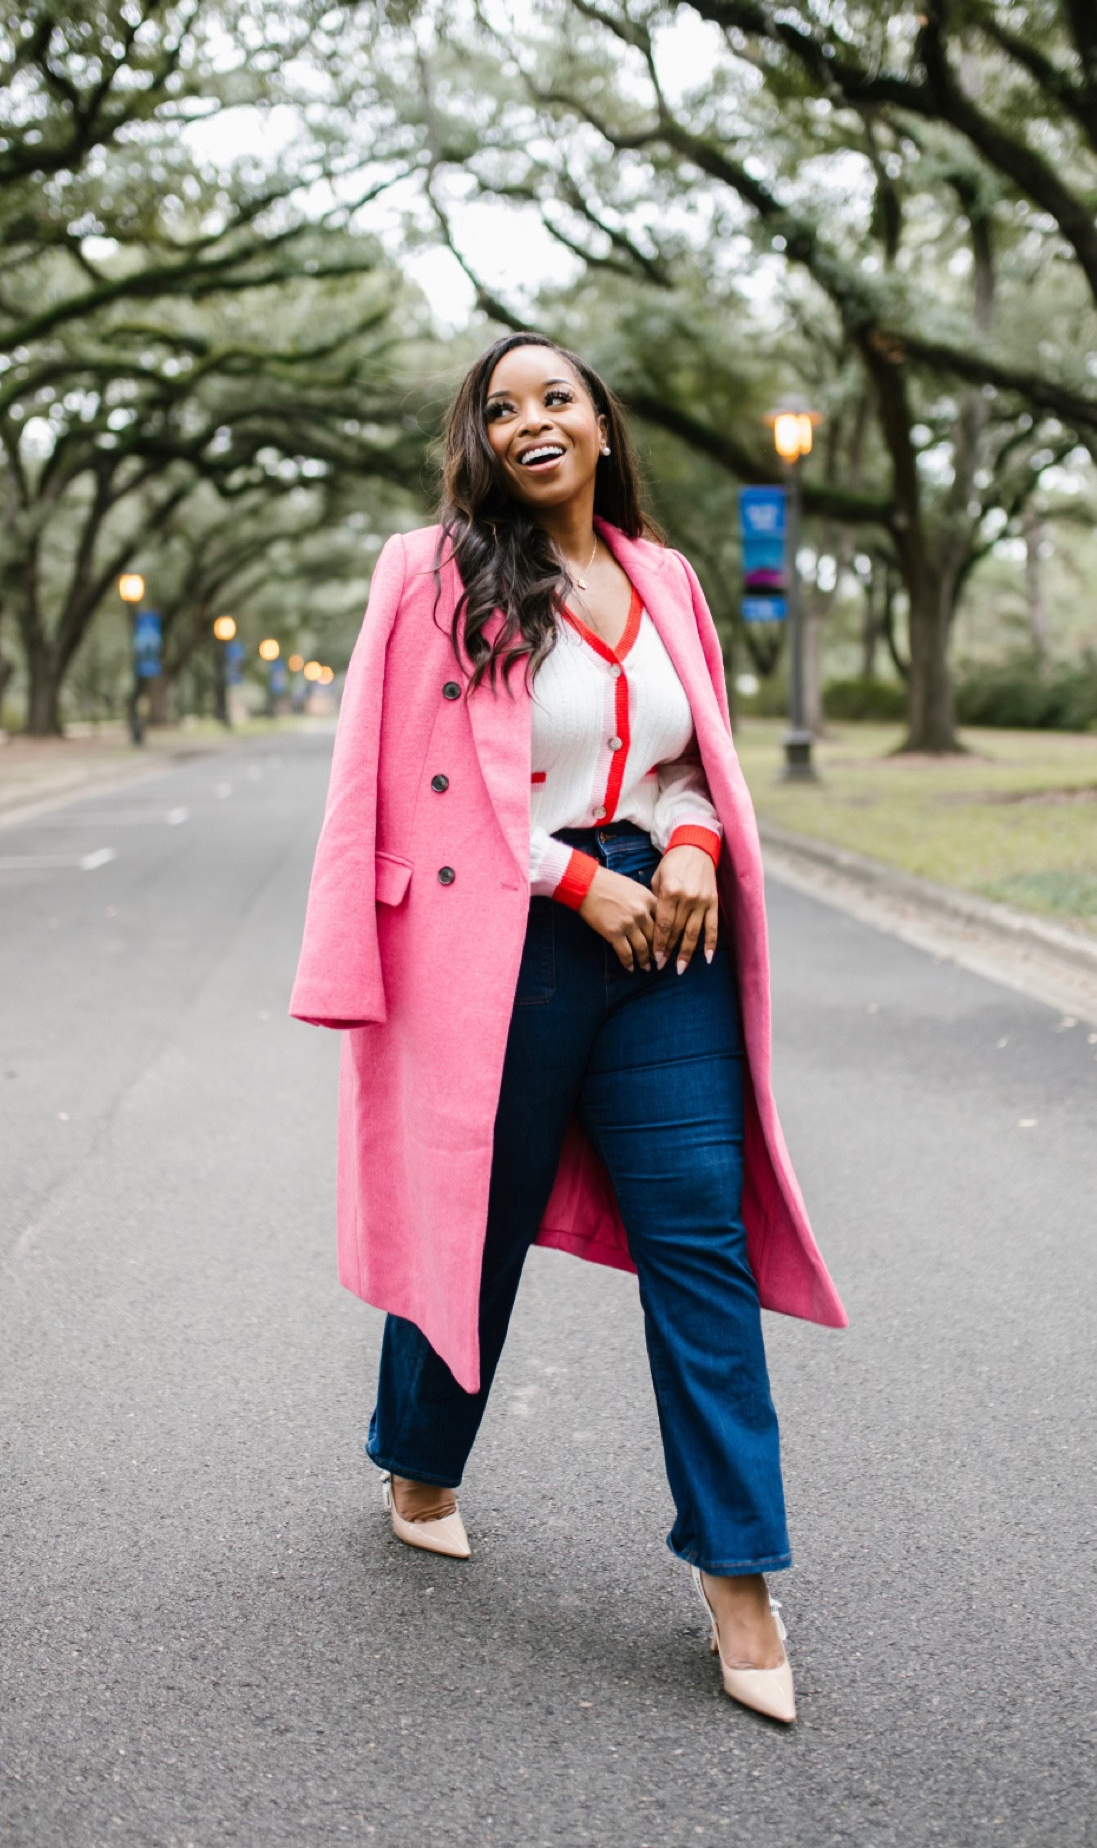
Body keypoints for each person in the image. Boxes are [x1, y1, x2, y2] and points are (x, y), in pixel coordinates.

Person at [290, 332, 845, 1724]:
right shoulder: (427, 574)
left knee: (696, 1240)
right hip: (507, 933)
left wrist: (695, 844)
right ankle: (418, 1458)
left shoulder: (660, 578)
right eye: (501, 407)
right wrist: (579, 878)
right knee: (472, 1223)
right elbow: (415, 786)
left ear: (600, 421)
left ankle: (737, 1576)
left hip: (668, 941)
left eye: (555, 397)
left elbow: (678, 753)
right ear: (479, 440)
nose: (531, 420)